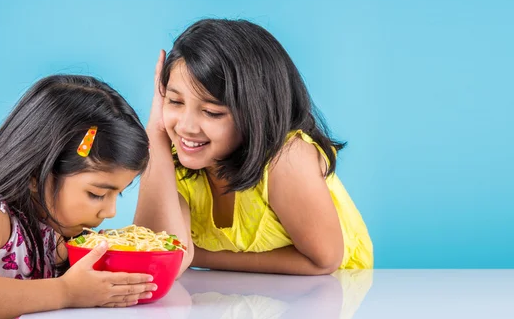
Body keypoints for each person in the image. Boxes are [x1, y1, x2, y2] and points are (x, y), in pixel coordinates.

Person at [0, 75, 177, 319]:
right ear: (35, 175)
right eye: (97, 194)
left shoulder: (57, 229)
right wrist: (67, 291)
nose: (111, 212)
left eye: (119, 194)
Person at [135, 19, 373, 276]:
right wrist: (155, 135)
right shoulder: (175, 160)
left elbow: (323, 261)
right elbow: (153, 261)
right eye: (174, 101)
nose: (186, 126)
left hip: (335, 296)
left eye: (212, 112)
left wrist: (200, 255)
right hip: (240, 303)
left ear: (257, 113)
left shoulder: (286, 159)